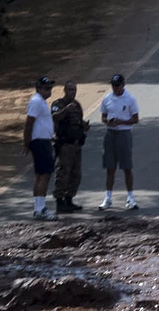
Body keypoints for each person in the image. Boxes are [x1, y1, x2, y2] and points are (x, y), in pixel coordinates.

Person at [97, 73, 140, 210]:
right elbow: (103, 116)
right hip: (110, 133)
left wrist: (122, 122)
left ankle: (130, 197)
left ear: (123, 85)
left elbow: (135, 118)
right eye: (113, 85)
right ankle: (108, 198)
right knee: (110, 167)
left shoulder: (130, 99)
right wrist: (108, 122)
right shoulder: (107, 98)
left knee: (127, 166)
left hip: (124, 133)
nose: (115, 88)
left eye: (117, 85)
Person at [23, 75, 57, 218]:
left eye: (50, 87)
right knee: (45, 174)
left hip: (43, 140)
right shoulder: (36, 101)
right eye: (46, 88)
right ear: (38, 88)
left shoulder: (41, 102)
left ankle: (38, 207)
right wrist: (27, 142)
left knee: (39, 175)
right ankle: (41, 208)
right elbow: (29, 122)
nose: (49, 90)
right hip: (40, 142)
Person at [51, 81, 88, 214]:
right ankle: (59, 201)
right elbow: (54, 117)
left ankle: (69, 199)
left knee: (76, 174)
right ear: (65, 90)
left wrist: (84, 126)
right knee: (63, 172)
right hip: (65, 145)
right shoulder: (58, 104)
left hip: (77, 144)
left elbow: (80, 120)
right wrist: (65, 111)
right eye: (70, 90)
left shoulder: (77, 105)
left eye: (74, 90)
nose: (73, 92)